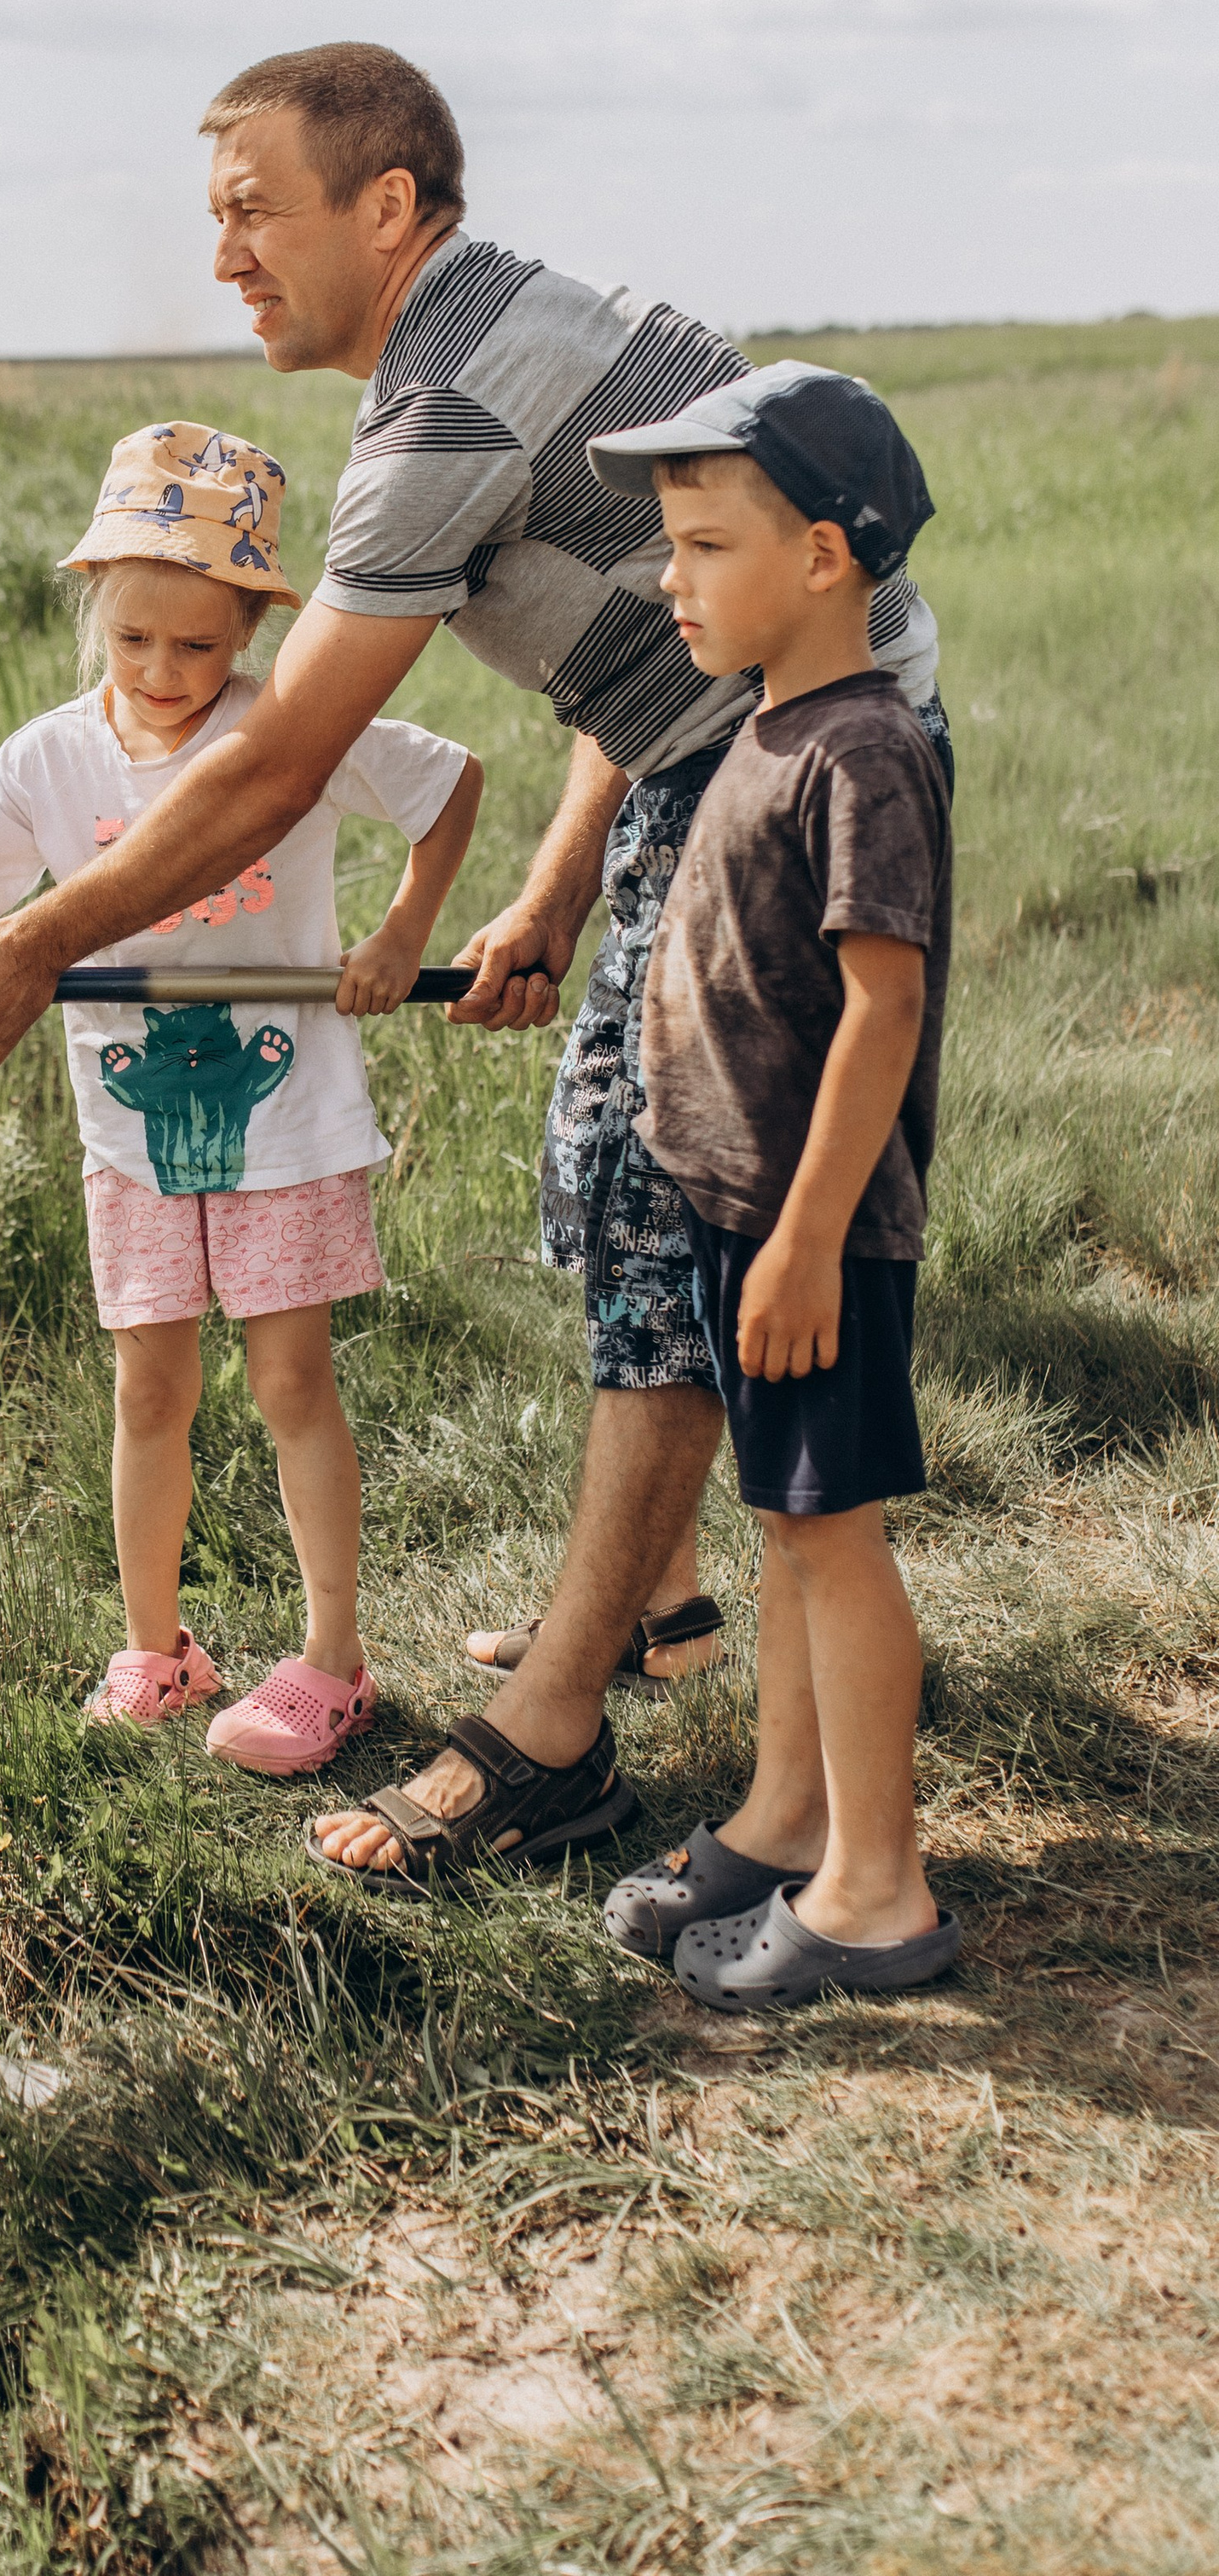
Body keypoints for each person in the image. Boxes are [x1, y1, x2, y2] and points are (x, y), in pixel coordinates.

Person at [0, 42, 950, 1888]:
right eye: (209, 216)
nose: (222, 253)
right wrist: (557, 887)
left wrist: (33, 940)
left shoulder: (428, 424)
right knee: (621, 1198)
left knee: (665, 1228)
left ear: (384, 205)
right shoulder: (484, 345)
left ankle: (553, 1737)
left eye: (252, 208)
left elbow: (270, 764)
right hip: (712, 762)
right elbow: (648, 629)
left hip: (790, 785)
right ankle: (657, 1625)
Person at [0, 420, 483, 1778]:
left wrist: (404, 933)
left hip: (286, 1125)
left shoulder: (285, 732)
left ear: (248, 625)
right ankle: (160, 1649)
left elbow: (449, 785)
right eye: (135, 642)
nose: (168, 674)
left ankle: (334, 1662)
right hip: (129, 1140)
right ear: (95, 616)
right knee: (149, 1393)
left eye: (200, 645)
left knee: (292, 1381)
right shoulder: (46, 761)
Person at [581, 371, 961, 2000]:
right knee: (789, 1528)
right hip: (751, 1222)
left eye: (705, 545)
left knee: (832, 1540)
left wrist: (807, 1243)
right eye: (669, 546)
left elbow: (888, 1003)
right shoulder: (769, 721)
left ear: (823, 555)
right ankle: (792, 1811)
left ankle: (880, 1890)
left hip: (820, 1234)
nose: (674, 578)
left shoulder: (865, 748)